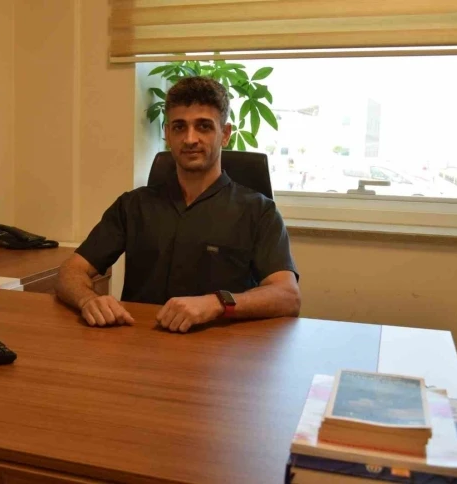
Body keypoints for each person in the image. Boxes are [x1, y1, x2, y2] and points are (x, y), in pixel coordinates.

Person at [56, 76, 300, 333]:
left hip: (220, 349)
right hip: (140, 341)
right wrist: (88, 300)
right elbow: (70, 271)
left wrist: (217, 303)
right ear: (167, 134)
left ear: (225, 134)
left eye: (204, 126)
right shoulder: (134, 205)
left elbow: (287, 296)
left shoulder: (259, 211)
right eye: (179, 127)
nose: (190, 139)